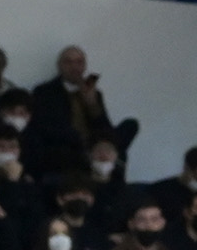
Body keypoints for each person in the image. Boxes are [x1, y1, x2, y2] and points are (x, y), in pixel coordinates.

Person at [28, 44, 137, 177]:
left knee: (131, 124)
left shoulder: (93, 93)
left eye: (79, 62)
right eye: (68, 62)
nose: (74, 67)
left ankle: (103, 156)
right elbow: (46, 126)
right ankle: (99, 158)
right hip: (67, 145)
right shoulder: (44, 91)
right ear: (59, 66)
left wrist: (92, 105)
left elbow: (105, 128)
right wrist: (83, 141)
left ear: (85, 66)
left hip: (96, 144)